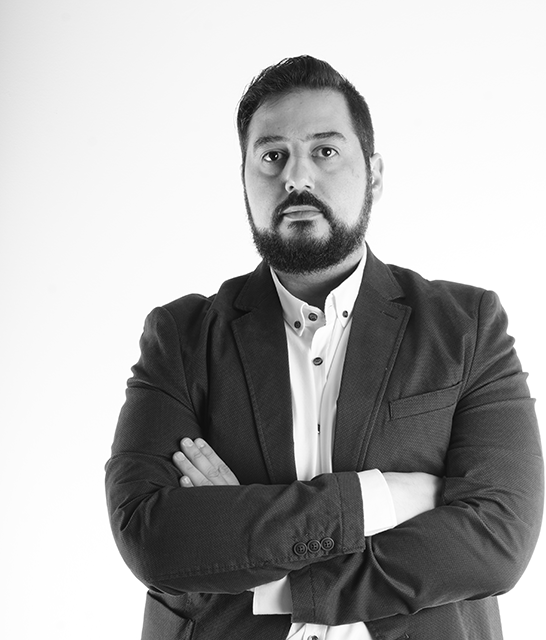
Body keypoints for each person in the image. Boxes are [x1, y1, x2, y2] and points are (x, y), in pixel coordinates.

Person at [105, 56, 543, 640]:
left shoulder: (467, 327)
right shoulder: (181, 337)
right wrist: (381, 497)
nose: (297, 177)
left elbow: (497, 541)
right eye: (272, 156)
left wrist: (254, 547)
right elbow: (152, 538)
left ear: (375, 174)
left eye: (325, 151)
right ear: (244, 179)